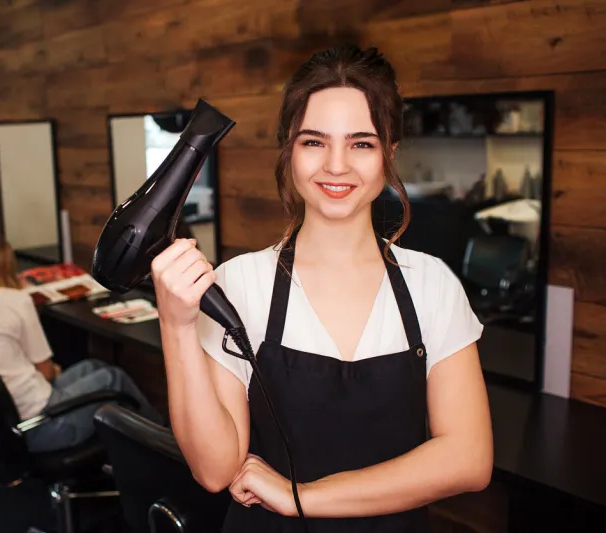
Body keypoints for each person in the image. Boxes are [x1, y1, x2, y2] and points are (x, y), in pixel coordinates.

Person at [150, 44, 493, 531]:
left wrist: (302, 497)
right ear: (289, 150)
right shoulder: (240, 283)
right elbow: (215, 469)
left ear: (389, 154)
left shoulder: (431, 285)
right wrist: (176, 325)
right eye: (313, 141)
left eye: (361, 144)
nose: (336, 165)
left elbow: (469, 458)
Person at [0, 233, 162, 452]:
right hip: (39, 426)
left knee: (93, 367)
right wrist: (53, 370)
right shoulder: (15, 300)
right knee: (113, 378)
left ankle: (134, 445)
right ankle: (161, 442)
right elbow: (46, 372)